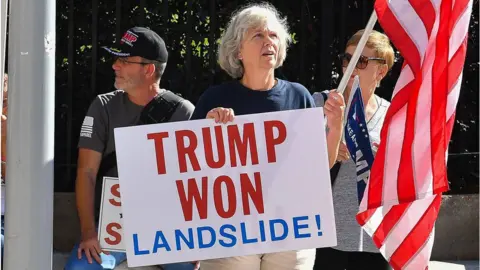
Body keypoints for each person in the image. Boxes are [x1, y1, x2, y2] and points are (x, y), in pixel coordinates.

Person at [191, 3, 345, 270]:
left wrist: (335, 124)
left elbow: (320, 166)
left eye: (274, 35)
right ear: (238, 51)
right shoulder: (214, 99)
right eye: (258, 36)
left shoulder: (299, 96)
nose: (269, 42)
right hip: (232, 231)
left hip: (291, 229)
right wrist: (207, 129)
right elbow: (191, 167)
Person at [64, 27, 196, 270]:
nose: (115, 65)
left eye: (124, 61)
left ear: (149, 69)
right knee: (80, 268)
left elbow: (195, 180)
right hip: (113, 229)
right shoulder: (102, 106)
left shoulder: (184, 111)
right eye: (116, 59)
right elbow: (86, 173)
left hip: (166, 231)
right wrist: (89, 233)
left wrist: (196, 240)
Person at [313, 29, 394, 270]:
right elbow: (293, 158)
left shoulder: (391, 116)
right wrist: (325, 148)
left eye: (361, 60)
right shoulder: (321, 103)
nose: (350, 65)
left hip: (374, 236)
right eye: (347, 58)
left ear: (381, 71)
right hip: (326, 235)